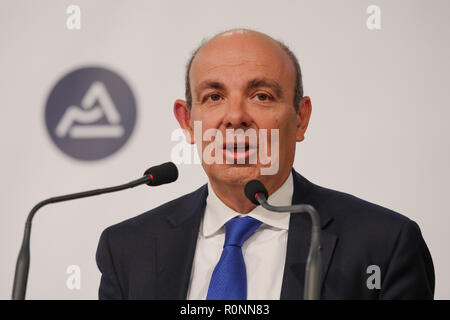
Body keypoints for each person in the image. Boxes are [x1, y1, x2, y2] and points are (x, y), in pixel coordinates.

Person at [96, 29, 434, 299]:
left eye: (262, 96)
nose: (236, 117)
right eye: (214, 97)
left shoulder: (383, 244)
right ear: (187, 122)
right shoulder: (127, 249)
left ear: (300, 119)